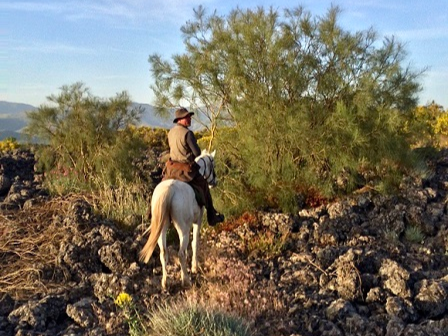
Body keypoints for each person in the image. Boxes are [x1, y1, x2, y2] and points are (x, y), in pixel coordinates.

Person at [162, 107, 225, 226]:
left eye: (189, 116)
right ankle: (212, 216)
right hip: (185, 171)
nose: (189, 119)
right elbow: (197, 153)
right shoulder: (188, 133)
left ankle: (150, 213)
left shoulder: (170, 132)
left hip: (171, 170)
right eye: (187, 117)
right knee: (204, 185)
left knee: (161, 184)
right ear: (180, 119)